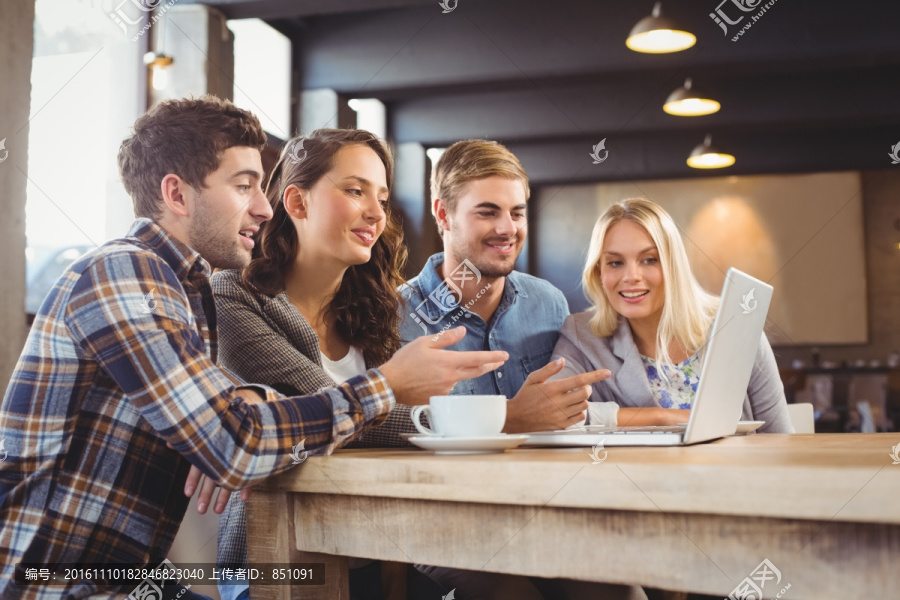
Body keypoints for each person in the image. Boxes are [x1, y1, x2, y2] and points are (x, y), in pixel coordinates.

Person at [0, 97, 508, 600]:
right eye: (244, 186)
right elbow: (234, 446)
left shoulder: (182, 291)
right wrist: (388, 385)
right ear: (177, 194)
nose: (264, 207)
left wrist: (257, 396)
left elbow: (225, 416)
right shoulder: (125, 273)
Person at [400, 140, 635, 600]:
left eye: (517, 212)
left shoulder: (547, 301)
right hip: (443, 523)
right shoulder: (398, 315)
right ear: (443, 215)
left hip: (544, 510)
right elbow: (394, 437)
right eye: (487, 212)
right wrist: (511, 416)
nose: (507, 228)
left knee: (621, 592)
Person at [211, 128, 429, 600]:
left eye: (382, 197)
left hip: (375, 550)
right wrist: (493, 417)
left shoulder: (376, 309)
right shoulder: (234, 294)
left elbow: (386, 428)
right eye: (355, 190)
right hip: (275, 560)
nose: (376, 212)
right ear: (297, 202)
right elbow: (333, 411)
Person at [550, 197, 793, 433]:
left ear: (673, 266)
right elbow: (551, 412)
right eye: (615, 263)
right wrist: (661, 417)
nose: (631, 276)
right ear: (598, 273)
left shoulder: (733, 325)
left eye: (649, 260)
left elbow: (781, 440)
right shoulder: (581, 335)